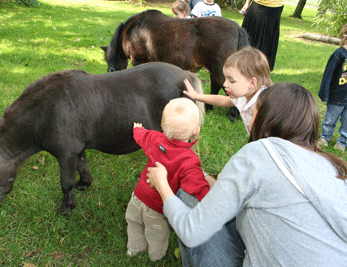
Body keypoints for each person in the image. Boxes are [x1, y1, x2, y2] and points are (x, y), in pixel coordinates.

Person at [147, 82, 347, 266]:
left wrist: (163, 185)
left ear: (265, 118)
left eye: (253, 111)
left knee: (188, 194)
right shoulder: (331, 167)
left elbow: (191, 231)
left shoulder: (260, 153)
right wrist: (211, 180)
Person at [126, 98, 211, 262]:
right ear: (196, 130)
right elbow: (196, 185)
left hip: (137, 197)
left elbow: (143, 136)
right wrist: (207, 196)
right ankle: (155, 257)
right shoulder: (189, 160)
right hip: (157, 209)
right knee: (156, 233)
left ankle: (134, 249)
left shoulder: (156, 138)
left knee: (134, 223)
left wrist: (138, 130)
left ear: (162, 126)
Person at [183, 46, 273, 134]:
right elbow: (222, 100)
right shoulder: (244, 96)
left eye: (232, 81)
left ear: (252, 83)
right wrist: (196, 96)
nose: (225, 84)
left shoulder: (265, 104)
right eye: (225, 79)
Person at [318, 24, 347, 151]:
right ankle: (324, 137)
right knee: (330, 118)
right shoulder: (339, 54)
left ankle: (342, 141)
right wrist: (324, 93)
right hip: (337, 95)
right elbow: (328, 74)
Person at [241, 0, 284, 71]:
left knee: (266, 42)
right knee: (249, 39)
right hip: (258, 7)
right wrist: (246, 4)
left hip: (274, 9)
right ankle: (243, 65)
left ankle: (260, 69)